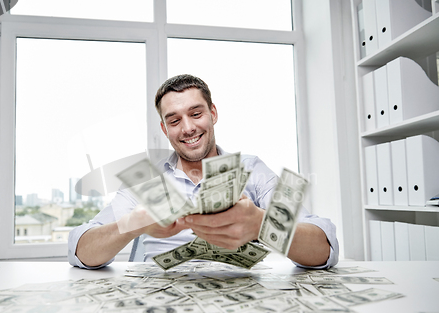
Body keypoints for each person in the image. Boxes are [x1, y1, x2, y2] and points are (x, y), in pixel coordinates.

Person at [68, 74, 339, 269]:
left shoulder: (253, 170)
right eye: (174, 120)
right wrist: (131, 224)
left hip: (238, 306)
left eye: (196, 114)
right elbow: (81, 251)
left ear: (213, 114)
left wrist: (260, 223)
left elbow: (324, 250)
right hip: (159, 307)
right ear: (165, 129)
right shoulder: (147, 182)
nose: (187, 128)